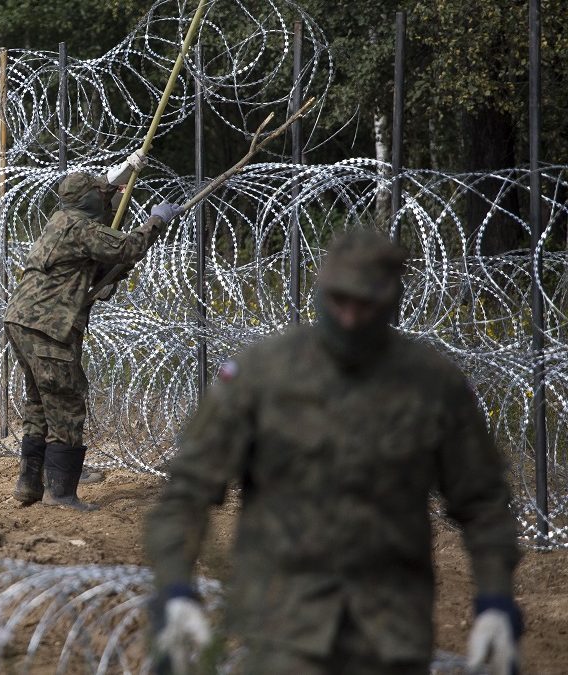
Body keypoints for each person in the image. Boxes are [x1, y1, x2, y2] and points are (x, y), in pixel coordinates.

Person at [143, 230, 523, 675]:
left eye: (365, 306)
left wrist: (496, 601)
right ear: (322, 290)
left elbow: (483, 503)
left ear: (391, 302)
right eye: (339, 301)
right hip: (283, 625)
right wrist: (174, 591)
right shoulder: (263, 375)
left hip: (391, 631)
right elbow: (186, 491)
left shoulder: (432, 386)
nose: (348, 318)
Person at [3, 152, 180, 510]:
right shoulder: (82, 229)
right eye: (99, 193)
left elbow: (94, 256)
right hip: (49, 327)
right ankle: (61, 493)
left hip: (21, 321)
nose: (104, 196)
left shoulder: (61, 221)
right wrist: (157, 221)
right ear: (87, 198)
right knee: (66, 402)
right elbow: (126, 248)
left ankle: (28, 485)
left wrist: (126, 175)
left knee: (39, 401)